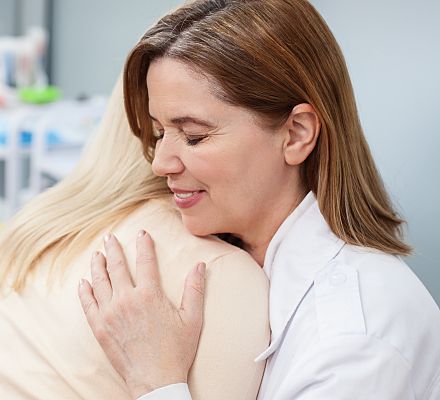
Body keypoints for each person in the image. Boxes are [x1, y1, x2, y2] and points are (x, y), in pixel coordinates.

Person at [77, 0, 440, 399]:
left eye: (194, 136)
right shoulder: (224, 263)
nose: (160, 163)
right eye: (159, 132)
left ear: (297, 134)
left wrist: (155, 380)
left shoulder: (356, 341)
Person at [0, 77, 270, 399]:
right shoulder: (222, 276)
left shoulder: (37, 223)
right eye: (179, 134)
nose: (162, 160)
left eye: (195, 136)